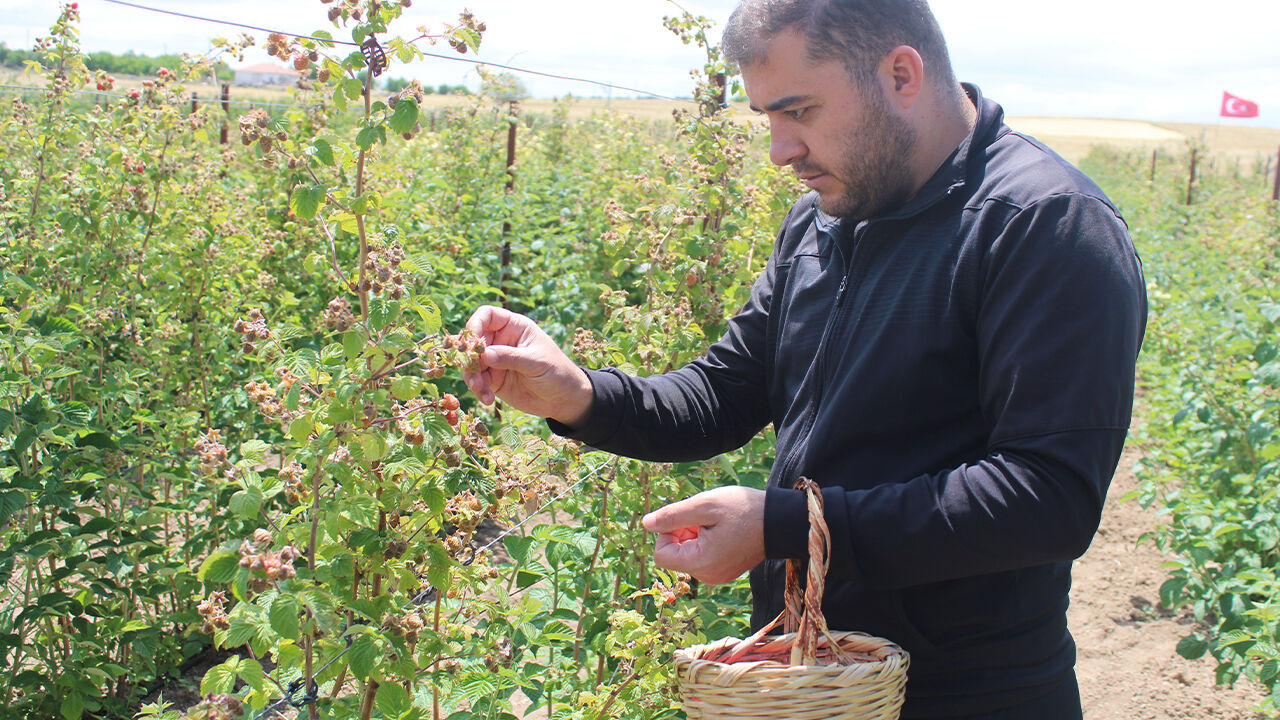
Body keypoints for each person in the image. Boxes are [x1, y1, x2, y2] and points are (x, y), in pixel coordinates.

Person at [461, 1, 1147, 717]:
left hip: (965, 691)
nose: (779, 150)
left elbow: (1047, 501)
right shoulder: (826, 219)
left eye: (801, 111)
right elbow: (724, 393)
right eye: (767, 118)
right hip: (814, 682)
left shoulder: (1042, 226)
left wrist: (785, 526)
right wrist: (577, 394)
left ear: (902, 76)